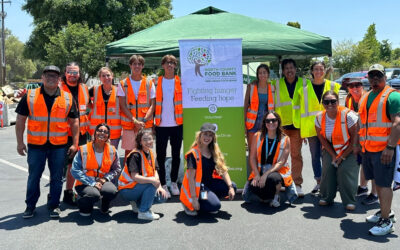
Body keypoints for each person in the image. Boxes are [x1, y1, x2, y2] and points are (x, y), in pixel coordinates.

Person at [15, 65, 79, 219]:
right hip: (36, 145)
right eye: (48, 75)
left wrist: (75, 144)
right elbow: (20, 120)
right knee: (34, 176)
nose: (51, 78)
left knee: (57, 178)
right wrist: (20, 142)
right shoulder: (30, 96)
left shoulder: (67, 98)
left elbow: (75, 122)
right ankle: (30, 206)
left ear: (59, 79)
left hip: (59, 146)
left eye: (54, 76)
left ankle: (54, 205)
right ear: (42, 77)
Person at [359, 64, 400, 236]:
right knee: (377, 181)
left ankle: (386, 222)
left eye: (379, 75)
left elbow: (397, 123)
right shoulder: (367, 96)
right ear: (368, 77)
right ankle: (385, 212)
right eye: (372, 75)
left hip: (384, 150)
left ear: (385, 77)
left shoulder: (392, 96)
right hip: (369, 148)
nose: (375, 78)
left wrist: (390, 147)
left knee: (384, 185)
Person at [293, 61, 341, 195]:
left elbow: (339, 108)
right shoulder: (303, 89)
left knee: (328, 155)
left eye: (321, 69)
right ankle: (319, 182)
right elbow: (299, 110)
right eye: (316, 69)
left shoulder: (333, 86)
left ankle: (331, 181)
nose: (318, 71)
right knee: (315, 156)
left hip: (329, 127)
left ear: (325, 70)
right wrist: (302, 131)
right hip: (311, 129)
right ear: (312, 71)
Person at [315, 91, 359, 210]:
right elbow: (322, 139)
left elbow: (355, 140)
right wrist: (334, 156)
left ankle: (349, 200)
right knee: (328, 168)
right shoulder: (319, 117)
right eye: (326, 102)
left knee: (344, 170)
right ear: (323, 104)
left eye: (333, 101)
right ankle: (326, 197)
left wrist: (342, 156)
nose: (330, 104)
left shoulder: (348, 116)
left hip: (349, 148)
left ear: (338, 102)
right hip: (331, 148)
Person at [243, 111, 297, 206]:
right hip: (260, 171)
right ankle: (265, 197)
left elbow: (281, 162)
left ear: (278, 122)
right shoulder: (258, 136)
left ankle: (276, 196)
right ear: (264, 123)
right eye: (268, 121)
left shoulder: (285, 139)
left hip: (277, 172)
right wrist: (257, 175)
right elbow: (252, 158)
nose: (271, 123)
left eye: (273, 120)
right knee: (257, 190)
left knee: (273, 179)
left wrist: (265, 175)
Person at [180, 123, 236, 216]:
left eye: (210, 135)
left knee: (232, 186)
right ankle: (189, 203)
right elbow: (191, 179)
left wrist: (230, 187)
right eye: (205, 134)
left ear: (213, 137)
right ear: (200, 135)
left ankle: (208, 201)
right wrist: (194, 198)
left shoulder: (214, 151)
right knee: (215, 206)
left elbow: (223, 171)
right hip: (199, 189)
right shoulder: (193, 154)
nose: (207, 137)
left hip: (209, 186)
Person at [272, 59, 306, 197]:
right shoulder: (276, 84)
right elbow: (262, 85)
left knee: (296, 156)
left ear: (295, 69)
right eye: (286, 68)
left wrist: (306, 129)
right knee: (279, 157)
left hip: (297, 126)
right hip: (281, 127)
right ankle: (282, 182)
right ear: (283, 70)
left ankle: (297, 183)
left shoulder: (304, 83)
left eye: (291, 67)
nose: (289, 70)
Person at [71, 123, 121, 216]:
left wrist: (105, 179)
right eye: (99, 130)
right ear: (95, 133)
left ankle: (104, 205)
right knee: (93, 196)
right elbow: (74, 170)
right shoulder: (84, 149)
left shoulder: (112, 150)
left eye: (105, 132)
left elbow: (117, 169)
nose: (102, 133)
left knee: (112, 191)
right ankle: (82, 202)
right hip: (84, 183)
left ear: (108, 136)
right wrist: (92, 183)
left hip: (102, 181)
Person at [118, 129, 168, 221]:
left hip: (138, 186)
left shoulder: (151, 153)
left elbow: (155, 171)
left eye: (150, 139)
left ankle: (137, 204)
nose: (148, 141)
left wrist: (159, 186)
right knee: (151, 184)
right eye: (144, 139)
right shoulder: (135, 155)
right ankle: (143, 212)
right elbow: (135, 177)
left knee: (162, 197)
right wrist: (153, 181)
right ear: (140, 142)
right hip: (127, 189)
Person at [60, 62, 90, 206]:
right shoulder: (58, 88)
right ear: (65, 73)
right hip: (64, 134)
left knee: (80, 165)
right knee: (66, 166)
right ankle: (66, 193)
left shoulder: (84, 88)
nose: (72, 75)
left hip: (82, 134)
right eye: (70, 72)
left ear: (79, 74)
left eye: (75, 72)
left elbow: (90, 107)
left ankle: (76, 193)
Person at [344, 78, 378, 205]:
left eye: (357, 85)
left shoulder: (368, 98)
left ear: (362, 86)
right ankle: (363, 187)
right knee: (364, 163)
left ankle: (375, 194)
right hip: (361, 137)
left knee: (373, 166)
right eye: (351, 86)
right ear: (348, 88)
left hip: (373, 137)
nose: (354, 88)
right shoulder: (349, 99)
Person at [117, 55, 155, 166]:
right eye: (134, 64)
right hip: (129, 125)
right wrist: (134, 121)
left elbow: (152, 105)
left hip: (145, 125)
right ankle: (128, 178)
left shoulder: (149, 83)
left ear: (143, 66)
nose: (137, 66)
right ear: (130, 65)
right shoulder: (123, 83)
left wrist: (142, 121)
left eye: (139, 64)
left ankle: (145, 176)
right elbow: (123, 105)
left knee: (146, 151)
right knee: (129, 153)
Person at [154, 55, 183, 198]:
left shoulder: (181, 81)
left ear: (175, 66)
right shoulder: (157, 82)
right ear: (163, 65)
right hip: (161, 124)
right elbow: (153, 103)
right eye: (167, 63)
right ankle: (163, 183)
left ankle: (173, 182)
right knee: (160, 155)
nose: (170, 65)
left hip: (177, 124)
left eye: (172, 63)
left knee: (176, 155)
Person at [89, 67, 122, 149]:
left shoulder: (119, 91)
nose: (106, 78)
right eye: (103, 76)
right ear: (100, 78)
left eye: (108, 75)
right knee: (97, 156)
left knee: (111, 156)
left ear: (112, 76)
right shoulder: (94, 90)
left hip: (114, 132)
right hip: (97, 131)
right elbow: (84, 101)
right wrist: (91, 108)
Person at [244, 64, 274, 150]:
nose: (262, 75)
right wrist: (244, 123)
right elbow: (246, 105)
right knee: (252, 150)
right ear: (257, 75)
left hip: (266, 123)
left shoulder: (272, 87)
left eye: (264, 72)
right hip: (252, 123)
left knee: (264, 150)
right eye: (260, 73)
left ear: (268, 74)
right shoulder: (251, 86)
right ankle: (252, 164)